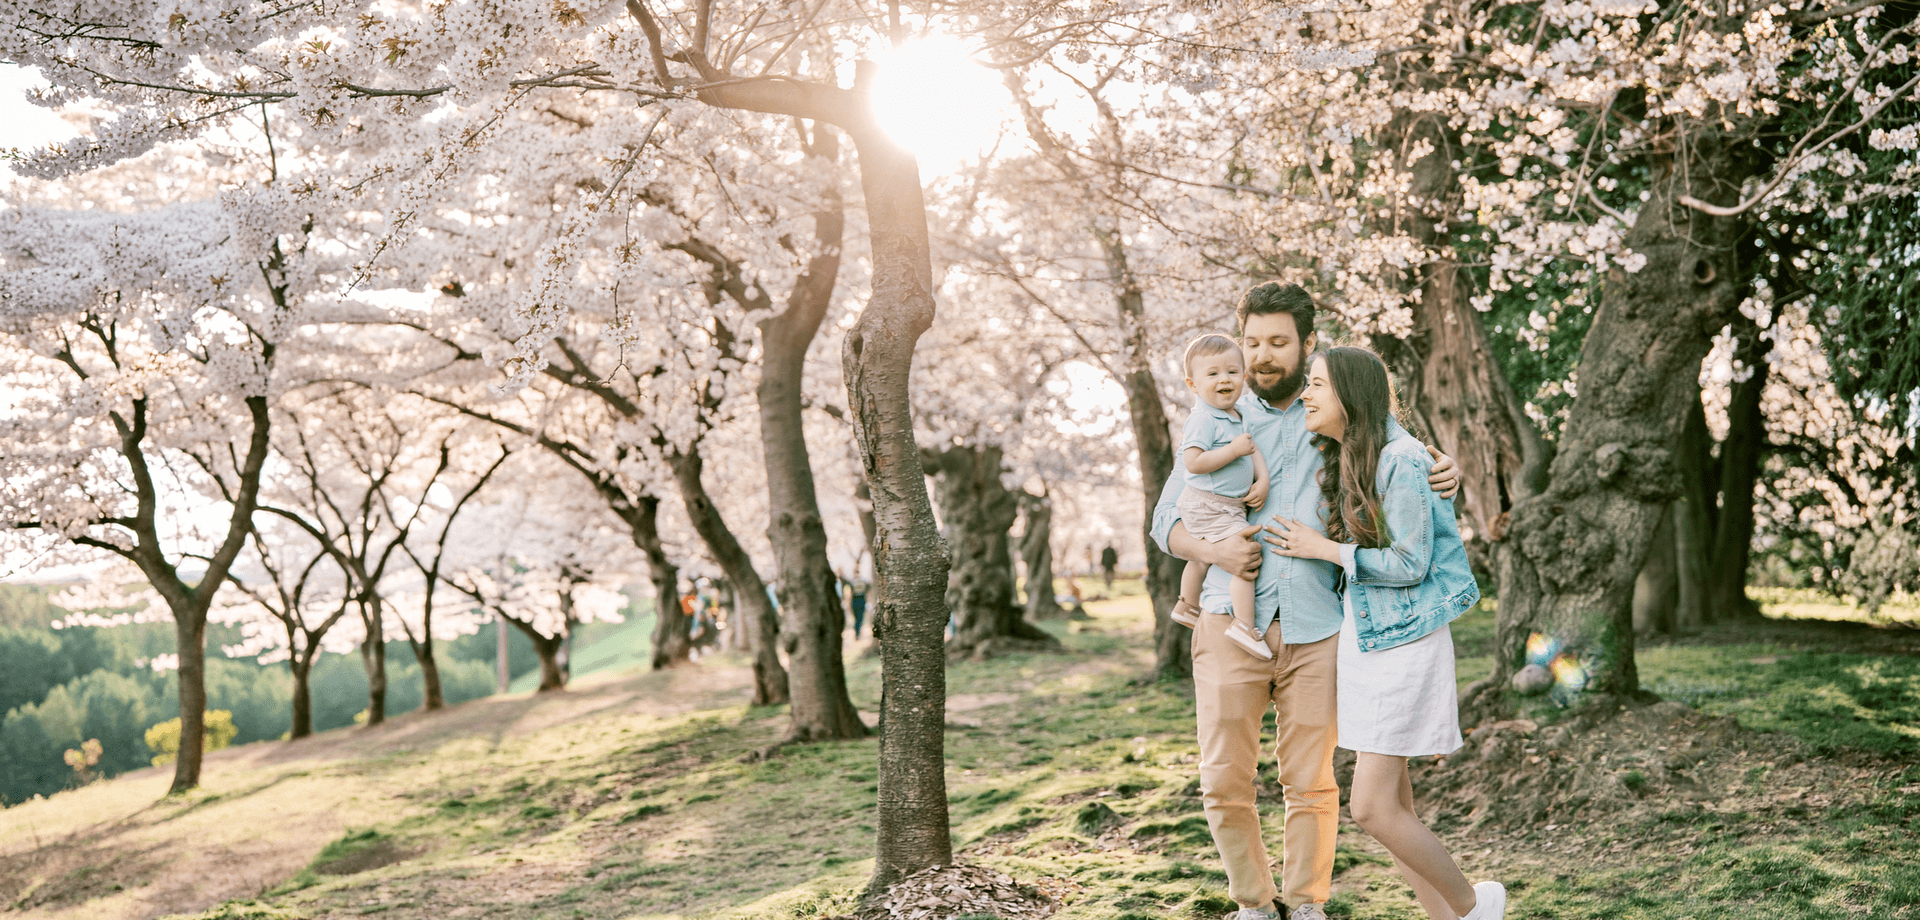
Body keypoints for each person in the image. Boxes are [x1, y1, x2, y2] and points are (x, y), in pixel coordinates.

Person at [1151, 282, 1460, 920]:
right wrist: (1218, 554)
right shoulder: (1217, 417)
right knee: (1224, 778)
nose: (1261, 357)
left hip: (1320, 626)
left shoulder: (1339, 412)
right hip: (1226, 617)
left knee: (1313, 781)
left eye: (1277, 343)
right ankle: (1254, 905)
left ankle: (1307, 903)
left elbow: (1402, 469)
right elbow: (1166, 524)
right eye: (1252, 342)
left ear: (1307, 344)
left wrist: (1447, 475)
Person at [1268, 345, 1506, 920]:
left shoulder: (1399, 459)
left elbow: (1410, 563)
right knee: (1397, 805)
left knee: (1371, 808)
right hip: (1370, 643)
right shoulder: (1358, 454)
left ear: (1350, 392)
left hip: (1402, 645)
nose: (1306, 394)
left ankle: (1475, 906)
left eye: (1318, 384)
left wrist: (1325, 548)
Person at [1175, 333, 1273, 660]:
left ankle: (1187, 605)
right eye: (1213, 374)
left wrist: (1262, 479)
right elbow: (1194, 463)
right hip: (1209, 503)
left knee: (1201, 557)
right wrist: (1232, 451)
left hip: (1223, 503)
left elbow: (1250, 448)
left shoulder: (1235, 416)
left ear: (1243, 377)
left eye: (1232, 372)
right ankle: (1245, 625)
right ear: (1192, 384)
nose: (1224, 379)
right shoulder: (1202, 418)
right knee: (1242, 558)